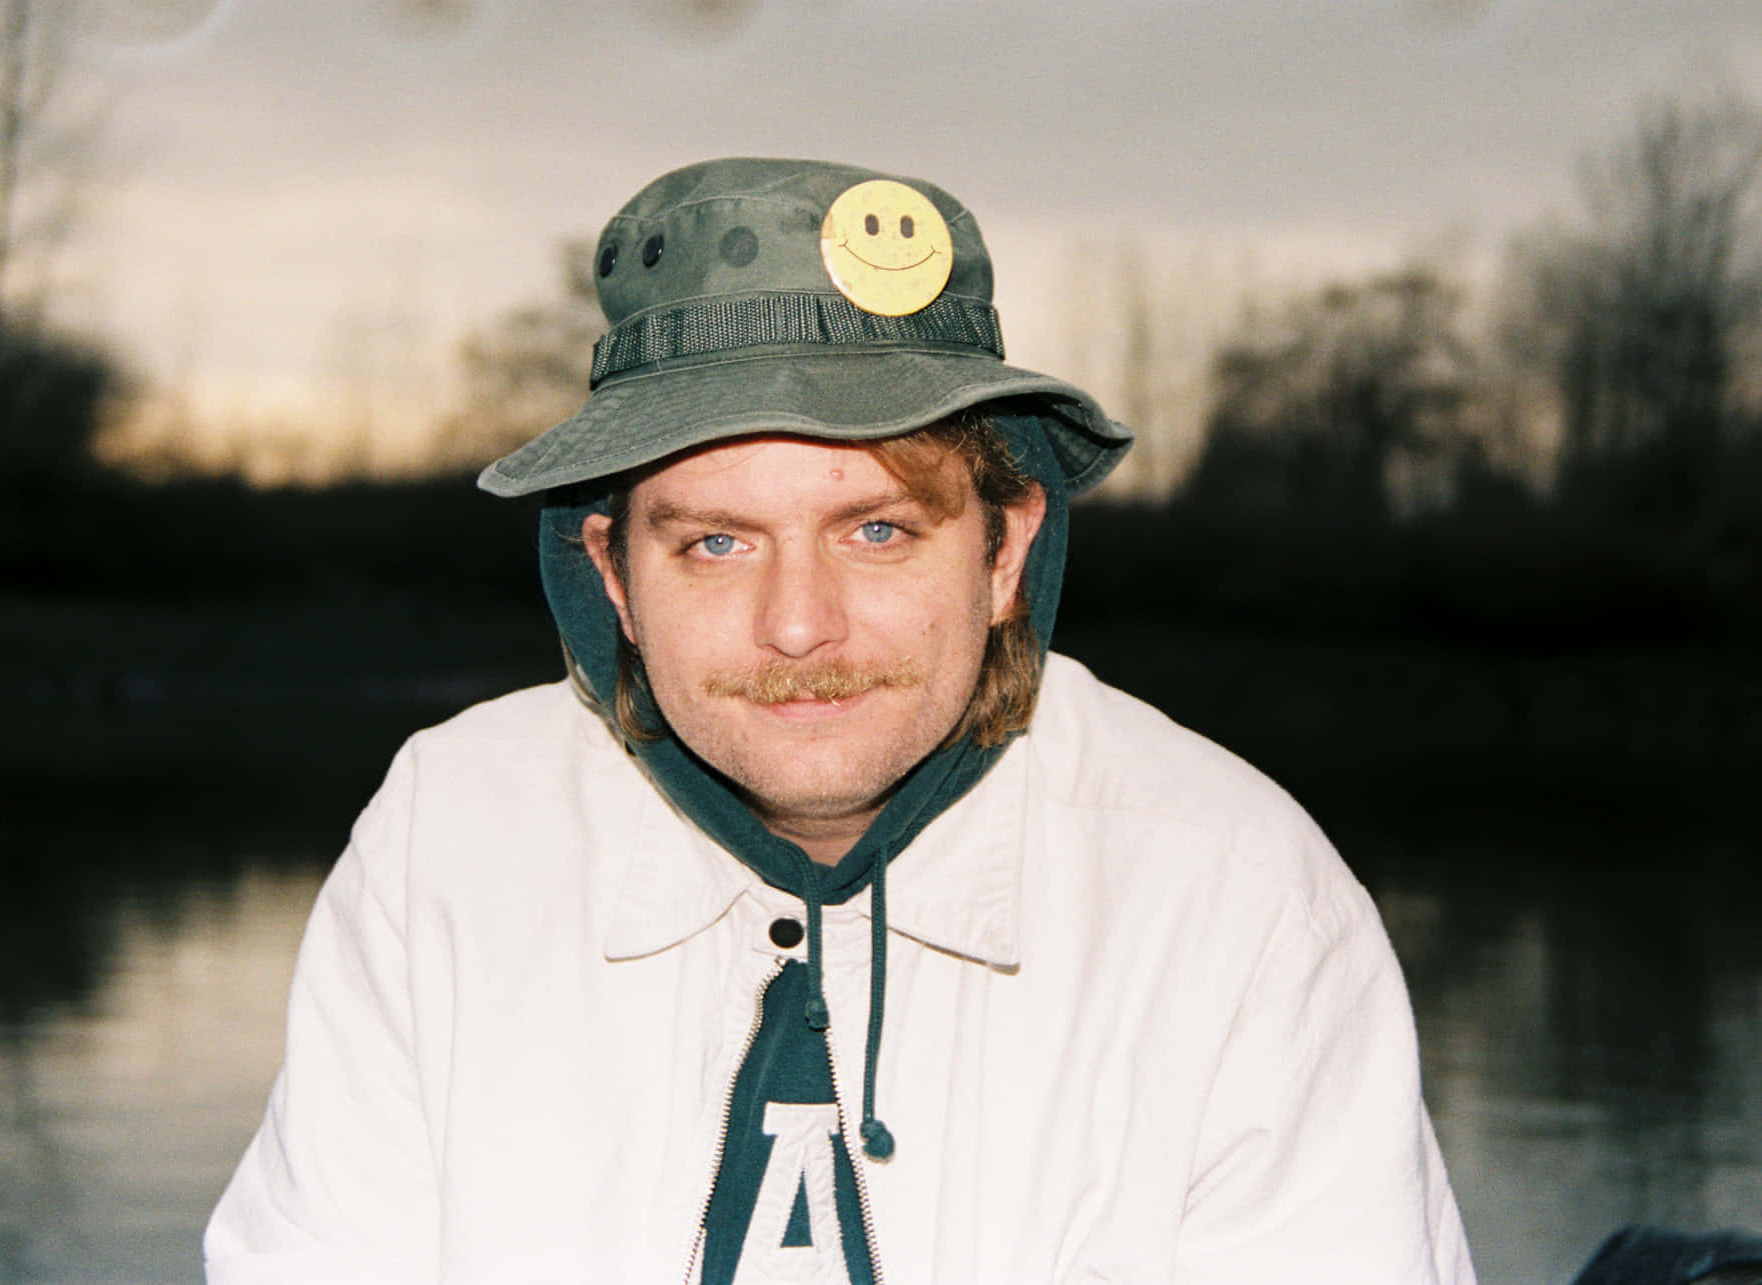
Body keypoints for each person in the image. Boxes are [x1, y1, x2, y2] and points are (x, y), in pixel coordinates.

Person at [205, 157, 1477, 1284]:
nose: (799, 625)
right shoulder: (452, 839)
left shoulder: (1237, 895)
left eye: (876, 530)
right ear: (612, 579)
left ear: (1002, 550)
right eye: (714, 541)